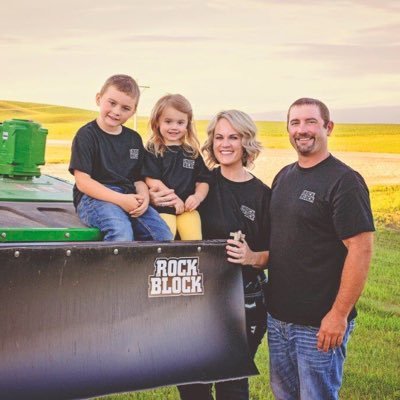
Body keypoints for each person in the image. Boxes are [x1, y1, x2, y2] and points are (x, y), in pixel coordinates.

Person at [151, 110, 271, 400]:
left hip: (244, 300)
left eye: (234, 137)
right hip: (193, 299)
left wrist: (251, 256)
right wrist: (156, 199)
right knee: (193, 386)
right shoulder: (198, 184)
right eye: (219, 137)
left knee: (233, 384)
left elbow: (276, 254)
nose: (225, 144)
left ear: (247, 142)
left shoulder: (263, 195)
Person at [266, 98, 375, 399]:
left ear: (328, 127)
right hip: (278, 319)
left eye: (311, 122)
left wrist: (338, 315)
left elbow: (361, 249)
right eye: (295, 122)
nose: (302, 130)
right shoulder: (284, 176)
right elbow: (286, 242)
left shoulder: (344, 181)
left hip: (319, 325)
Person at [69, 74, 173, 242]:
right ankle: (109, 268)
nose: (116, 111)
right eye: (112, 103)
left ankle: (140, 269)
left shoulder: (133, 139)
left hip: (128, 195)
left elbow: (138, 179)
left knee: (163, 235)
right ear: (98, 99)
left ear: (133, 111)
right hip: (94, 198)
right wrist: (121, 200)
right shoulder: (86, 135)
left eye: (125, 108)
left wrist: (144, 197)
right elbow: (83, 182)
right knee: (121, 233)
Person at [142, 94, 210, 239]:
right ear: (157, 122)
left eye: (180, 122)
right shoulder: (153, 150)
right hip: (163, 208)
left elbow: (203, 180)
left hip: (188, 209)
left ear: (187, 125)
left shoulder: (192, 153)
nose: (174, 127)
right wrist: (174, 199)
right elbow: (151, 179)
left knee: (193, 240)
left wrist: (197, 197)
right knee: (166, 237)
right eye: (168, 121)